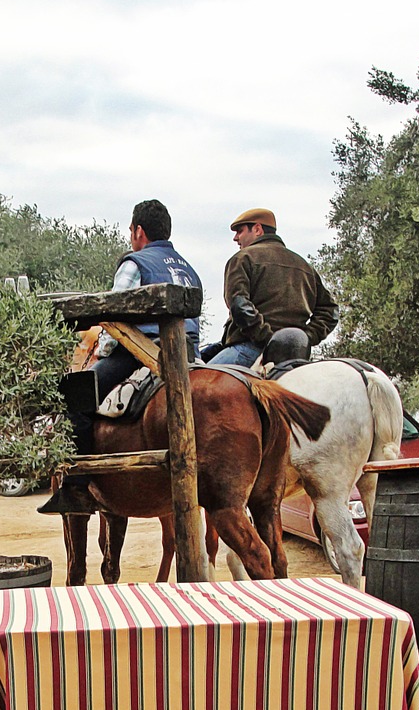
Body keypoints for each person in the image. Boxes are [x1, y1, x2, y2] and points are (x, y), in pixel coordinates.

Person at [38, 199, 203, 515]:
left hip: (144, 353)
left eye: (131, 231)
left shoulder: (135, 264)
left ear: (139, 231)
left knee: (76, 394)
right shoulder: (188, 268)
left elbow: (115, 320)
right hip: (189, 354)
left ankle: (76, 488)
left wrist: (102, 352)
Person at [208, 207, 339, 369]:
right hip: (296, 357)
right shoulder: (304, 266)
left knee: (191, 386)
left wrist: (269, 340)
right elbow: (330, 311)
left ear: (257, 229)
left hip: (250, 349)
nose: (236, 238)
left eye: (240, 231)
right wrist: (303, 339)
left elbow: (239, 305)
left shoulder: (242, 258)